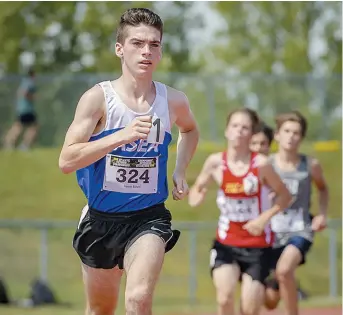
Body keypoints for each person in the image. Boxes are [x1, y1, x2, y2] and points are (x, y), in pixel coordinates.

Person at [58, 8, 199, 315]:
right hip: (100, 220)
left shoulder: (173, 100)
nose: (147, 51)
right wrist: (120, 136)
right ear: (119, 48)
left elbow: (189, 129)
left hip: (148, 217)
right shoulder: (97, 99)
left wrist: (180, 170)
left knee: (137, 299)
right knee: (100, 310)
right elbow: (67, 160)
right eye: (137, 43)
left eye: (154, 44)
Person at [188, 108, 292, 315]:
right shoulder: (215, 162)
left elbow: (285, 196)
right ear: (227, 131)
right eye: (234, 126)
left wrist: (263, 218)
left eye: (245, 127)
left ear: (251, 134)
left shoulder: (261, 165)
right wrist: (195, 197)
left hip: (257, 246)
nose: (239, 131)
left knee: (249, 308)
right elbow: (197, 188)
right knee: (224, 297)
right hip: (226, 243)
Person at [264, 111, 329, 315]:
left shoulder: (310, 165)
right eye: (287, 131)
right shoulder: (266, 164)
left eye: (297, 132)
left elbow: (323, 189)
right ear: (277, 135)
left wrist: (322, 214)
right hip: (272, 232)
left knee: (284, 270)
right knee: (270, 301)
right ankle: (278, 284)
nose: (292, 136)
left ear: (301, 137)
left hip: (300, 228)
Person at [3, 68, 38, 150]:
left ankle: (8, 143)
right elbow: (24, 93)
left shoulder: (24, 82)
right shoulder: (30, 82)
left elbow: (19, 93)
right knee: (34, 127)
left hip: (21, 109)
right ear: (33, 74)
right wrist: (32, 97)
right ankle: (24, 145)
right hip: (27, 110)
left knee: (18, 126)